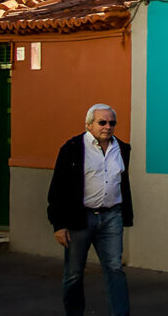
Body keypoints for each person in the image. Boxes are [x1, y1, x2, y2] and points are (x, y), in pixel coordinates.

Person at [47, 103, 133, 316]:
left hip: (112, 216)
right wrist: (59, 225)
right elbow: (58, 187)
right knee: (74, 273)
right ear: (88, 125)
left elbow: (122, 182)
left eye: (112, 122)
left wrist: (125, 213)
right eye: (102, 122)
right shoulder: (72, 148)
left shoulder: (121, 148)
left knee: (115, 269)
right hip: (80, 218)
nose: (107, 126)